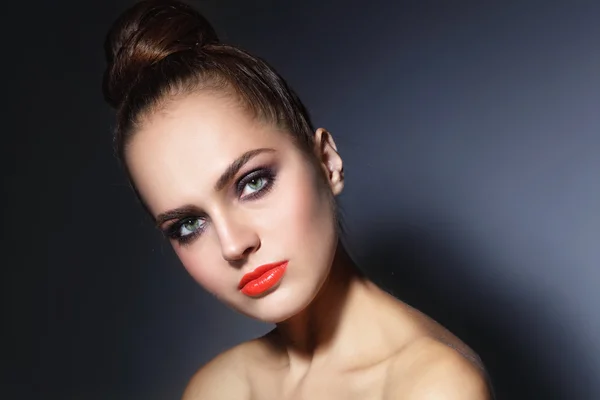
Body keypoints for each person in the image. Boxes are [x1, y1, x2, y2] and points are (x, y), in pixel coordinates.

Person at [102, 0, 494, 398]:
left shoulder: (432, 386)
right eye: (188, 224)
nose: (234, 244)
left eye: (252, 183)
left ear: (327, 161)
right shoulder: (216, 389)